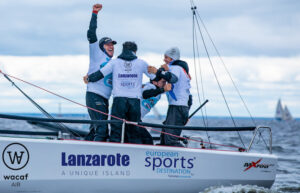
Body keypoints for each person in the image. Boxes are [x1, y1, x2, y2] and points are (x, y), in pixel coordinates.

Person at [86, 41, 155, 144]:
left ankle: (115, 152)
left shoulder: (114, 62)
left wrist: (89, 78)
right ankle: (133, 152)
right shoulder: (142, 63)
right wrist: (158, 72)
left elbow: (100, 74)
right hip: (134, 100)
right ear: (135, 51)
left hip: (119, 100)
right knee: (133, 129)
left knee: (116, 128)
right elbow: (155, 78)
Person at [83, 4, 117, 142]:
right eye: (108, 44)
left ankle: (84, 150)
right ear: (101, 47)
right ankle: (98, 157)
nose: (111, 46)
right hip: (94, 95)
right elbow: (91, 33)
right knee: (102, 130)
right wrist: (94, 13)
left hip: (105, 99)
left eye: (113, 45)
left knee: (96, 130)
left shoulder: (115, 62)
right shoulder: (96, 53)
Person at [148, 47, 191, 147]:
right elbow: (189, 96)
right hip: (179, 107)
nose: (164, 60)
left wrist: (157, 72)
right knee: (164, 139)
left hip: (177, 107)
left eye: (166, 57)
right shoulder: (180, 69)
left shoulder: (176, 68)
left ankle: (184, 157)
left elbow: (173, 79)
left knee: (170, 141)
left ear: (172, 58)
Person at [140, 78, 172, 144]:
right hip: (132, 118)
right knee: (148, 140)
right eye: (163, 82)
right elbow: (145, 94)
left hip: (138, 119)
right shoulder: (149, 86)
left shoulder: (159, 90)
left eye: (165, 82)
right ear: (154, 82)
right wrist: (163, 89)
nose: (165, 84)